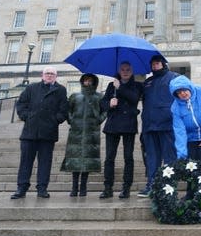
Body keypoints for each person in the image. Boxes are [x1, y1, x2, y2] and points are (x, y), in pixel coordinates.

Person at [11, 66, 68, 199]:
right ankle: (22, 188)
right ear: (42, 75)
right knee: (25, 162)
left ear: (56, 76)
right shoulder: (32, 88)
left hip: (48, 133)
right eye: (47, 73)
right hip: (30, 131)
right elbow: (21, 104)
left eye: (52, 74)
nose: (49, 76)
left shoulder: (60, 90)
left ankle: (42, 188)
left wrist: (55, 120)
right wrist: (27, 117)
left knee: (45, 162)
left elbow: (64, 109)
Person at [99, 62, 144, 199]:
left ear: (132, 71)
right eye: (123, 69)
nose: (125, 72)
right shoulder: (111, 85)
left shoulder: (137, 85)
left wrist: (120, 88)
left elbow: (134, 98)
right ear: (119, 70)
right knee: (109, 158)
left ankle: (126, 188)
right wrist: (109, 104)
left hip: (128, 124)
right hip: (113, 124)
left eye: (128, 70)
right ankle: (108, 188)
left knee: (128, 158)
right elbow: (102, 103)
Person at [138, 54, 179, 198]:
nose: (155, 66)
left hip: (167, 125)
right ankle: (152, 186)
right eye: (153, 64)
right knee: (152, 159)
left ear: (163, 64)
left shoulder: (174, 77)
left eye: (157, 63)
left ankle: (169, 186)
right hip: (149, 125)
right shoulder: (147, 82)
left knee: (169, 158)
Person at [60, 73, 105, 197]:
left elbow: (105, 110)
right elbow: (68, 109)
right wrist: (71, 120)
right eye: (86, 80)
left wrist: (99, 120)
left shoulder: (99, 97)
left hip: (91, 133)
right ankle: (74, 188)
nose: (88, 83)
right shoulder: (75, 96)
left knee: (87, 162)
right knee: (75, 161)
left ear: (94, 82)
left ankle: (83, 187)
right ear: (82, 81)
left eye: (90, 81)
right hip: (76, 132)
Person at [169, 75, 201, 163]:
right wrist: (181, 154)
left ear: (189, 87)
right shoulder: (175, 107)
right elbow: (179, 131)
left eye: (184, 90)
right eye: (179, 92)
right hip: (190, 137)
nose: (182, 93)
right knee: (191, 163)